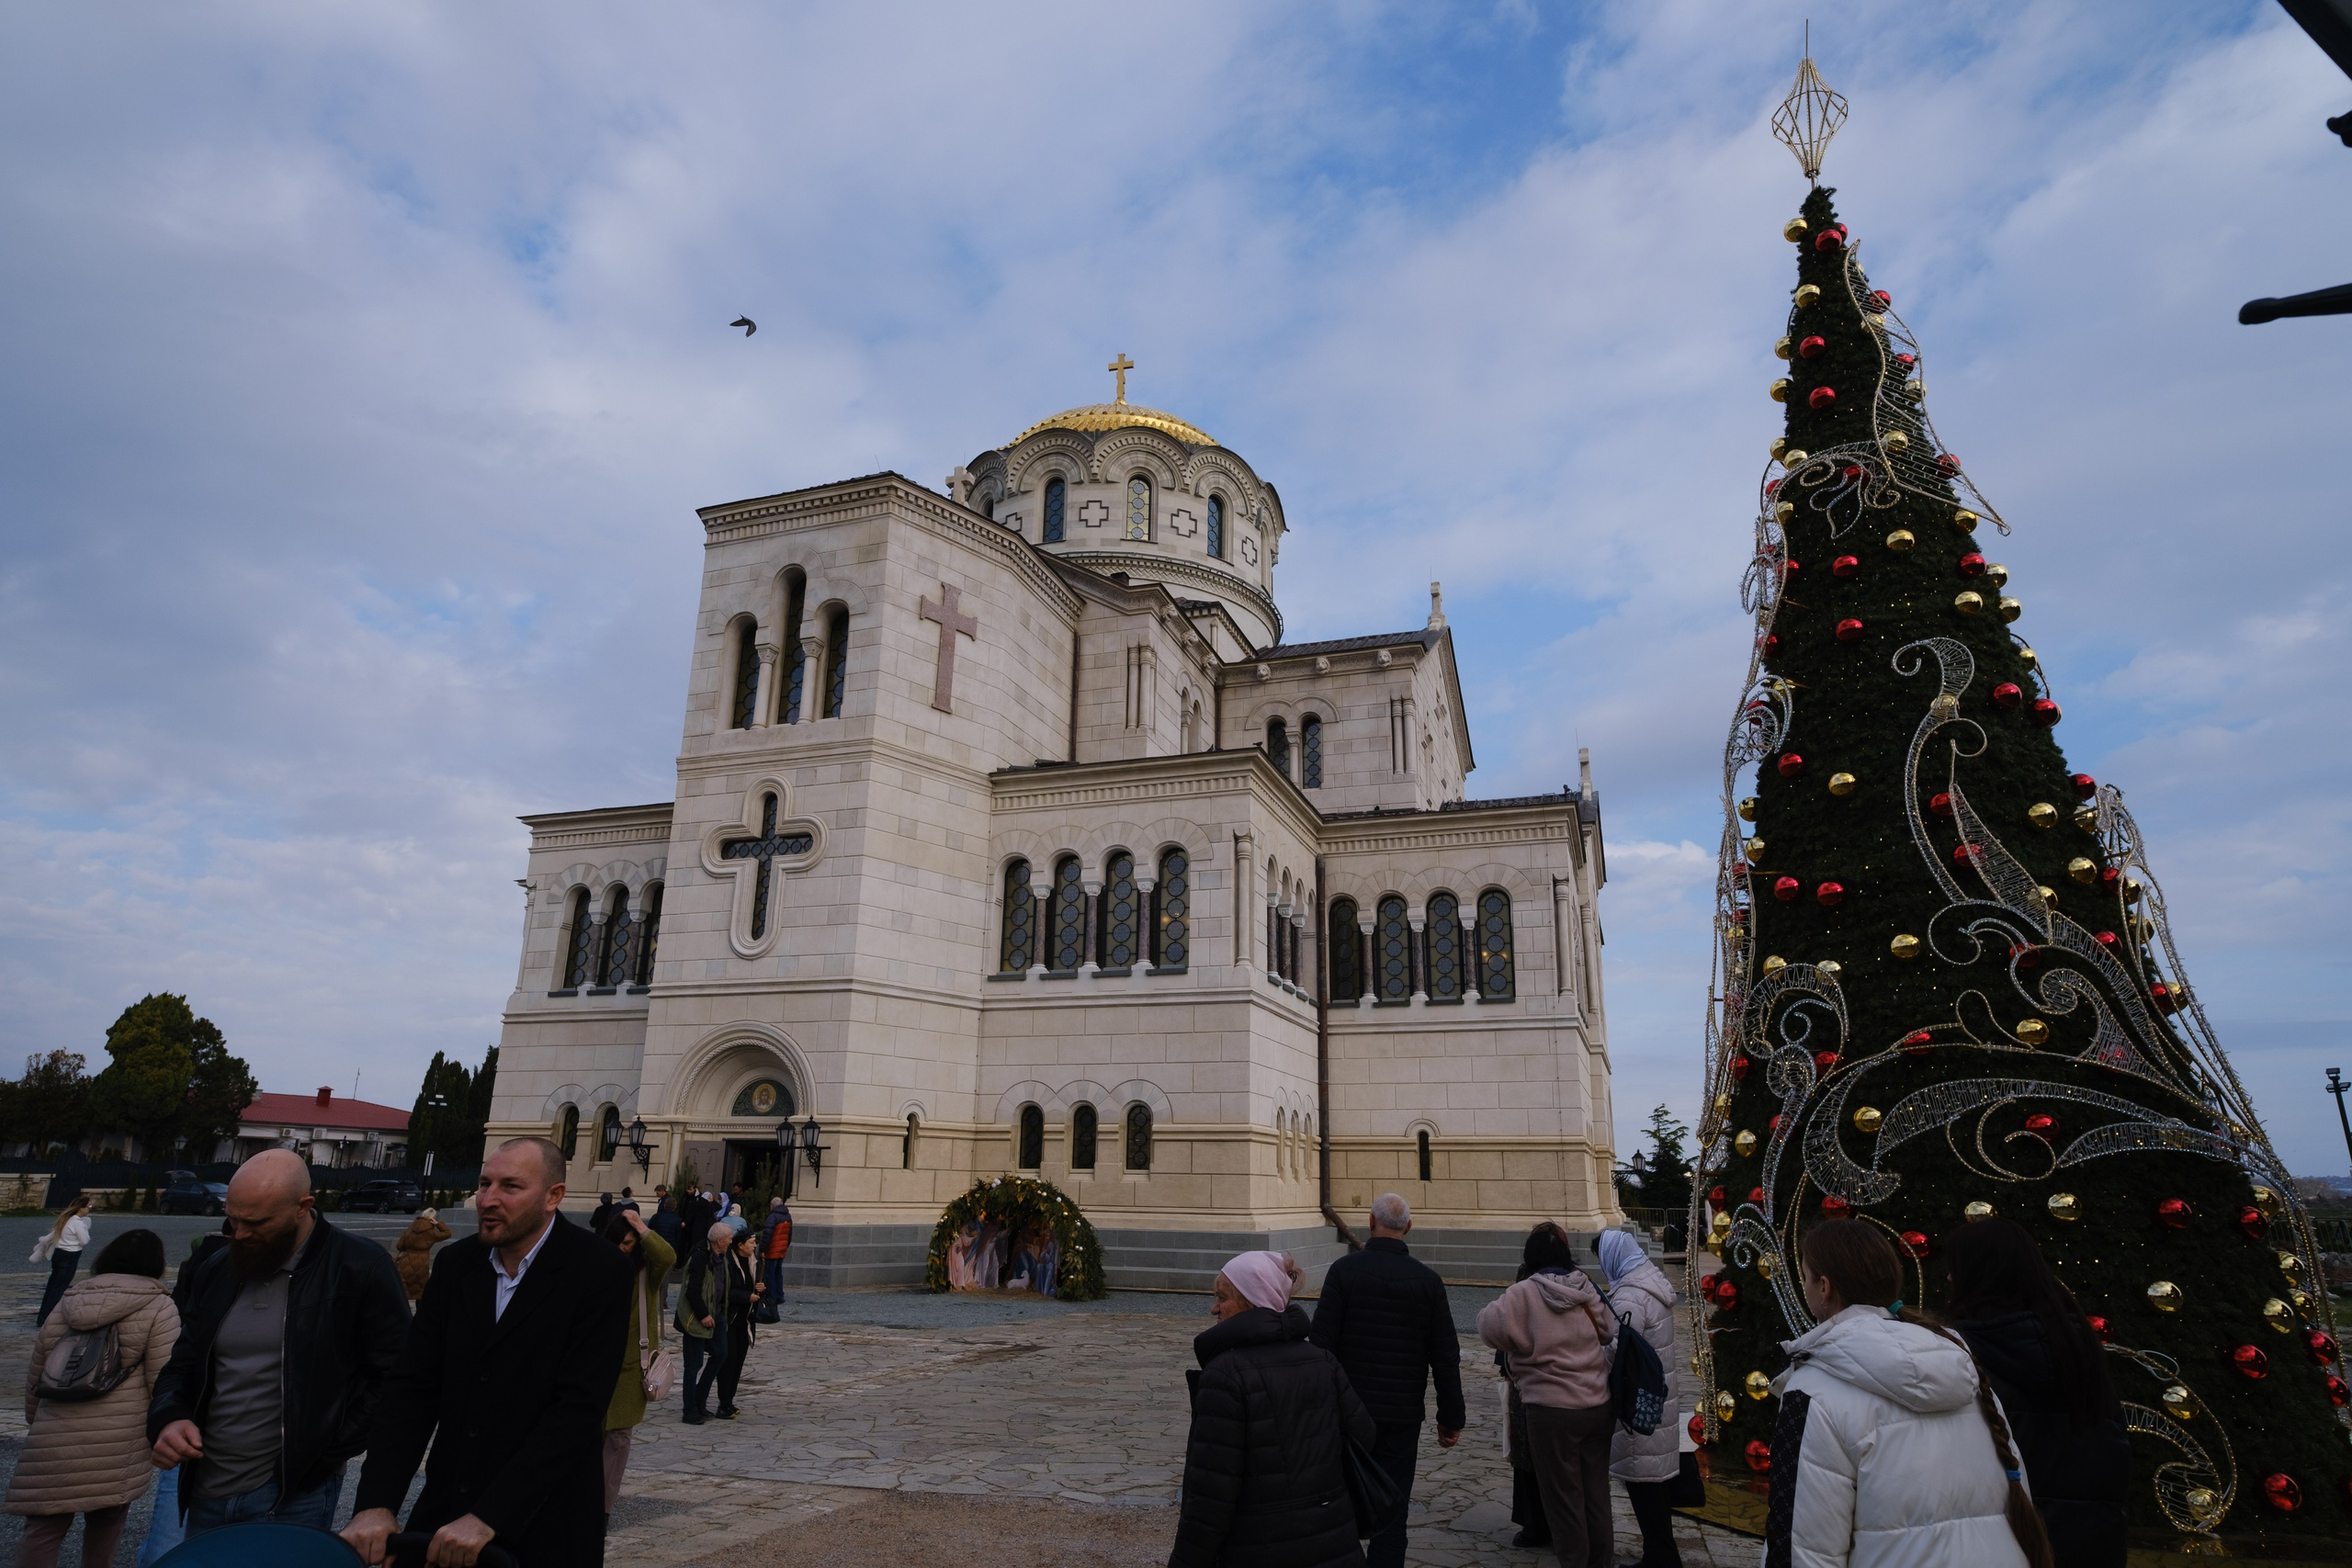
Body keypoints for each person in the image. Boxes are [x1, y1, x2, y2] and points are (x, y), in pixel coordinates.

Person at [341, 1136, 635, 1568]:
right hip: (446, 1513)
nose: (488, 1199)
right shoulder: (457, 1265)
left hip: (548, 1523)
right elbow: (411, 1391)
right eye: (484, 1184)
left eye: (510, 1186)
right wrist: (376, 1503)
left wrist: (491, 1515)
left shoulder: (599, 1269)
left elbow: (577, 1409)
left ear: (553, 1196)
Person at [148, 1149, 411, 1537]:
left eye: (256, 1222)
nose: (239, 1234)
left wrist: (323, 1457)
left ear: (302, 1207)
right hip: (206, 1489)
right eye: (233, 1219)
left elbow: (395, 1379)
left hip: (294, 1496)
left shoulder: (360, 1267)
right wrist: (169, 1417)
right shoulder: (217, 1268)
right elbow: (184, 1364)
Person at [1767, 1218, 2051, 1568]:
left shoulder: (1813, 1390)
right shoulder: (1961, 1364)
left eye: (1806, 1277)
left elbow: (1804, 1549)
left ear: (1824, 1287)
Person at [1170, 1251, 1374, 1568]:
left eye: (1222, 1298)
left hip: (1260, 1548)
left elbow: (1211, 1495)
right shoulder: (1322, 1361)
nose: (1214, 1309)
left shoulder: (1226, 1375)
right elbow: (1364, 1435)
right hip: (1332, 1540)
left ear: (1251, 1303)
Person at [1945, 1217, 2126, 1568]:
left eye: (1955, 1268)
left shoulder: (1958, 1356)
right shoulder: (2080, 1348)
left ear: (1977, 1275)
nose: (1950, 1278)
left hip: (2002, 1548)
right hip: (2090, 1544)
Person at [1307, 1194, 1464, 1568]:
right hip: (1401, 1414)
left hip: (1349, 1412)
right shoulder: (1428, 1281)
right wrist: (1451, 1417)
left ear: (1370, 1222)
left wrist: (1316, 1407)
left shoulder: (1344, 1272)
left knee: (1340, 1500)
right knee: (1393, 1508)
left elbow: (1321, 1346)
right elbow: (1445, 1355)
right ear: (1408, 1227)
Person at [6, 1230, 177, 1568]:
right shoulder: (159, 1305)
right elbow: (163, 1378)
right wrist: (163, 1428)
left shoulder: (68, 1301)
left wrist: (35, 1419)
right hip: (118, 1436)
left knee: (43, 1529)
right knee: (106, 1523)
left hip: (54, 1431)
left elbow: (38, 1368)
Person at [1476, 1226, 1618, 1568]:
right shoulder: (1586, 1287)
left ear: (1530, 1257)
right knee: (1596, 1495)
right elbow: (1608, 1331)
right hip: (1597, 1404)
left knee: (1562, 1499)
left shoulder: (1523, 1293)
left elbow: (1486, 1326)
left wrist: (1524, 1341)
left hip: (1551, 1410)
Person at [1597, 1230, 1682, 1568]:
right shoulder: (1651, 1283)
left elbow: (1616, 1350)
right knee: (1654, 1484)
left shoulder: (1630, 1296)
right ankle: (1661, 1554)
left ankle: (1660, 1558)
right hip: (1657, 1396)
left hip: (1638, 1401)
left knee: (1644, 1485)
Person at [1498, 1224, 1575, 1550]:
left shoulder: (1529, 1282)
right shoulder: (1578, 1282)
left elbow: (1501, 1325)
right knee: (1535, 1458)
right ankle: (1541, 1523)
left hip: (1535, 1382)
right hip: (1563, 1384)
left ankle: (1542, 1525)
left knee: (1537, 1457)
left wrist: (1507, 1365)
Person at [601, 1207, 674, 1517]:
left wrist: (640, 1226)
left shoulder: (646, 1275)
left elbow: (667, 1256)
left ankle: (602, 1511)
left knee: (618, 1440)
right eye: (618, 1242)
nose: (622, 1248)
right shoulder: (598, 1268)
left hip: (631, 1370)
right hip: (595, 1366)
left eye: (629, 1243)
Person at [674, 1220, 735, 1425]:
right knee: (693, 1365)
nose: (731, 1242)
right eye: (729, 1239)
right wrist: (703, 1315)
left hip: (716, 1315)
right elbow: (692, 1291)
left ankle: (699, 1398)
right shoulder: (700, 1256)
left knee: (721, 1353)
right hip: (695, 1318)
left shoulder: (722, 1258)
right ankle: (689, 1410)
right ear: (719, 1240)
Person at [715, 1230, 764, 1418]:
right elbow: (724, 1291)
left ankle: (729, 1401)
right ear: (740, 1245)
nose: (754, 1246)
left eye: (754, 1242)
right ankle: (723, 1402)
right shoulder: (728, 1263)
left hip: (746, 1321)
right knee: (729, 1360)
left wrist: (761, 1289)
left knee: (738, 1362)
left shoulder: (754, 1262)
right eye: (751, 1243)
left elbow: (758, 1287)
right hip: (730, 1319)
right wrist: (746, 1296)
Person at [31, 1194, 93, 1326]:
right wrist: (86, 1229)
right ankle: (47, 1319)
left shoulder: (65, 1219)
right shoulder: (77, 1223)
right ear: (81, 1208)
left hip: (59, 1253)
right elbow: (84, 1241)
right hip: (70, 1255)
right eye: (89, 1206)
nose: (90, 1208)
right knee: (59, 1288)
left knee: (52, 1285)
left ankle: (42, 1317)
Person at [395, 1207, 454, 1306]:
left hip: (406, 1261)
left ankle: (402, 1311)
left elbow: (399, 1246)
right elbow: (447, 1233)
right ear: (432, 1218)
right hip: (421, 1263)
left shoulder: (410, 1229)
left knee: (403, 1289)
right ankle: (419, 1313)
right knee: (420, 1291)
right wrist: (438, 1224)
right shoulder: (430, 1233)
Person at [757, 1197, 792, 1321]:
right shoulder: (787, 1216)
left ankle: (772, 1296)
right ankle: (780, 1295)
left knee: (769, 1274)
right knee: (778, 1273)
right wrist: (785, 1247)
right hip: (781, 1249)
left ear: (773, 1205)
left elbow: (767, 1235)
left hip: (772, 1249)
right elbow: (790, 1235)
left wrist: (762, 1249)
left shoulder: (772, 1217)